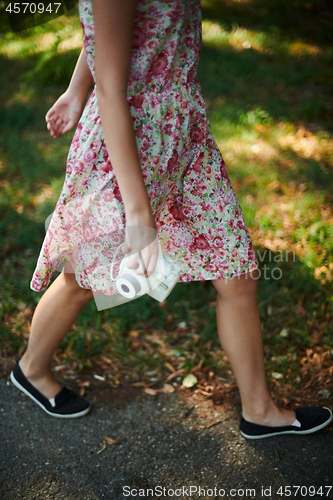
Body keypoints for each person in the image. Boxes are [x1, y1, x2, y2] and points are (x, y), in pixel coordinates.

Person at [11, 0, 332, 438]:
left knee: (235, 270)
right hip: (125, 143)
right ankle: (31, 368)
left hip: (182, 134)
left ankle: (259, 410)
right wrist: (139, 214)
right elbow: (111, 82)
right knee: (85, 276)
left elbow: (117, 38)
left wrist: (73, 88)